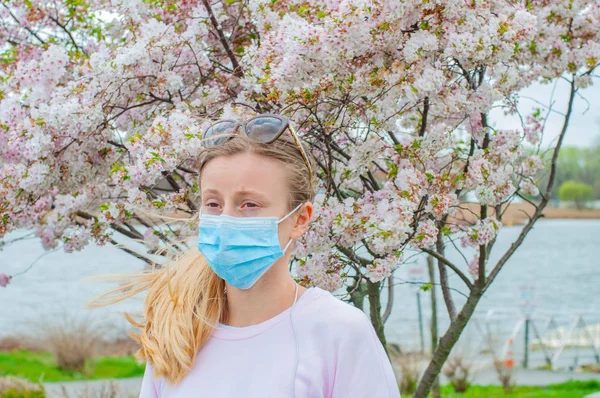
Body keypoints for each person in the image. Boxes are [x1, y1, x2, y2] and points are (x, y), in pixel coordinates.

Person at [92, 114, 400, 397]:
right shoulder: (177, 335)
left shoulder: (338, 333)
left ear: (299, 219)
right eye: (213, 204)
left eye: (249, 205)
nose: (226, 219)